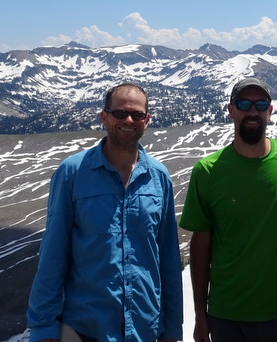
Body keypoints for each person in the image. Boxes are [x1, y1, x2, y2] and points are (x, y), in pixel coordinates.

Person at [27, 83, 183, 342]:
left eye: (138, 115)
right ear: (104, 117)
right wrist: (44, 328)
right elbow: (53, 253)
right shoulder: (73, 173)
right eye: (120, 113)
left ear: (147, 120)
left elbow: (167, 258)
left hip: (145, 329)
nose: (129, 120)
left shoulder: (159, 177)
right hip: (86, 330)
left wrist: (172, 330)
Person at [179, 77, 277, 342]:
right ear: (231, 110)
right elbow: (201, 246)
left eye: (261, 104)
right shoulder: (207, 171)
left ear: (270, 110)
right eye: (244, 104)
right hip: (228, 316)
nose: (253, 111)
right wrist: (200, 315)